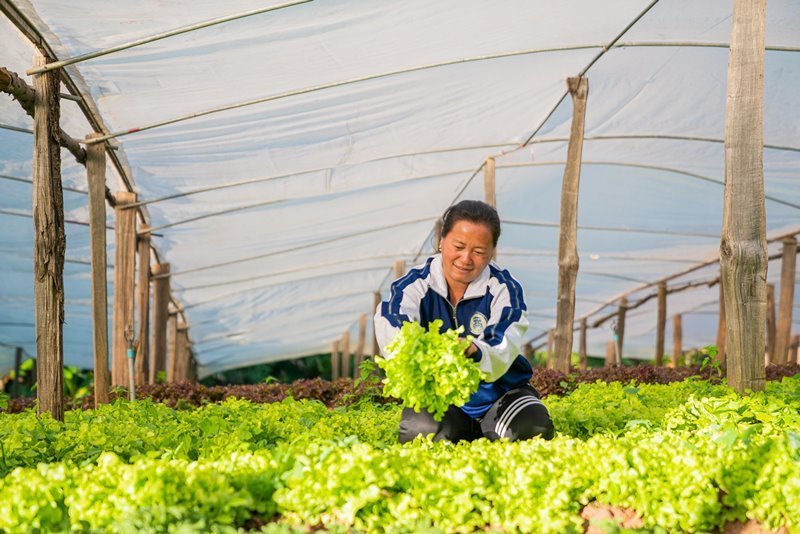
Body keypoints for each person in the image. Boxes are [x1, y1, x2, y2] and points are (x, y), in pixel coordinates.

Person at [374, 200, 554, 443]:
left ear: (492, 252)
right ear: (441, 241)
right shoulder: (415, 285)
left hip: (501, 395)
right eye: (458, 246)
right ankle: (462, 431)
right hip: (443, 398)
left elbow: (506, 339)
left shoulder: (503, 288)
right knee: (421, 432)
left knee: (530, 429)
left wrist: (474, 350)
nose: (466, 258)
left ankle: (489, 428)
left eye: (479, 252)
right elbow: (393, 323)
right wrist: (420, 349)